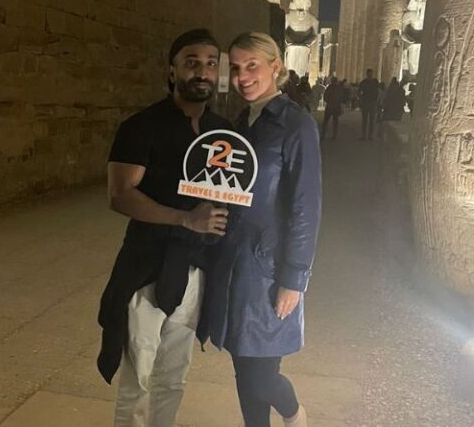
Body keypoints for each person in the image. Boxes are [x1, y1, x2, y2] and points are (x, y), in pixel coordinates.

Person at [97, 28, 232, 427]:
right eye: (192, 63)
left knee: (174, 375)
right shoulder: (140, 127)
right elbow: (120, 195)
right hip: (146, 266)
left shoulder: (224, 133)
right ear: (172, 71)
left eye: (210, 63)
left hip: (196, 267)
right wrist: (184, 218)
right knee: (137, 375)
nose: (202, 72)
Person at [200, 31, 322, 427]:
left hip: (268, 268)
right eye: (235, 68)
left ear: (275, 67)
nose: (243, 76)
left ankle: (292, 412)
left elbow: (307, 208)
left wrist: (294, 278)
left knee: (261, 375)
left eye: (252, 65)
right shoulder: (237, 124)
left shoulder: (295, 125)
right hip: (233, 262)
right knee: (243, 368)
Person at [358, 69, 380, 140]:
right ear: (367, 74)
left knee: (371, 120)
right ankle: (364, 135)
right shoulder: (364, 82)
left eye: (371, 73)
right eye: (369, 73)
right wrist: (361, 100)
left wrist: (376, 100)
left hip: (372, 102)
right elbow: (359, 92)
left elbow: (377, 91)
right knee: (365, 120)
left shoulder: (374, 82)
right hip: (366, 102)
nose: (370, 75)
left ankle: (370, 136)